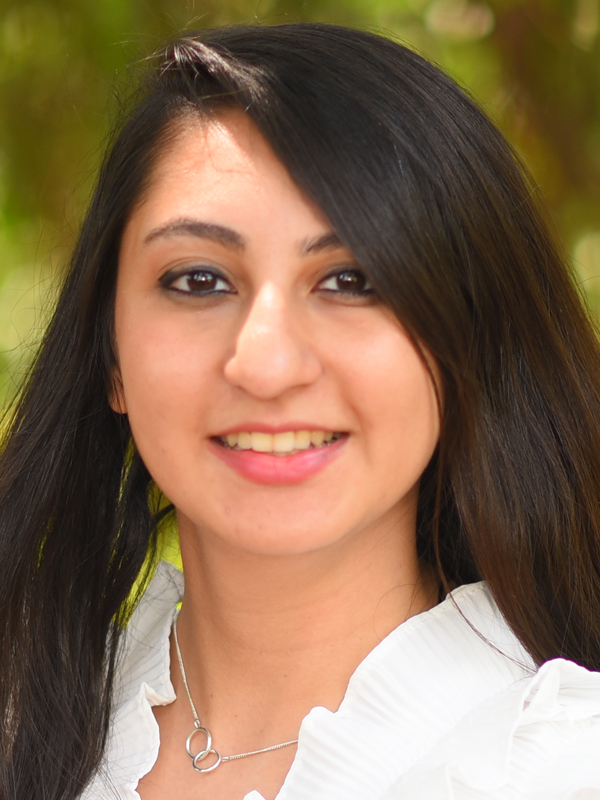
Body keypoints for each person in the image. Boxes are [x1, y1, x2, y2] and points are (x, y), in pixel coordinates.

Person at [1, 22, 600, 800]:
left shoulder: (558, 767)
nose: (267, 364)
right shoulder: (26, 712)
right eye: (199, 280)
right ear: (110, 354)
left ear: (469, 347)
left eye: (352, 281)